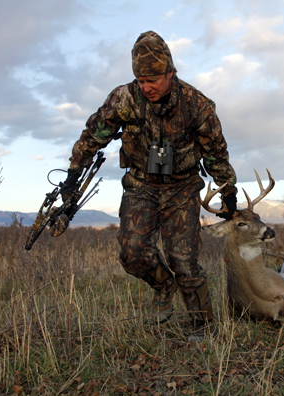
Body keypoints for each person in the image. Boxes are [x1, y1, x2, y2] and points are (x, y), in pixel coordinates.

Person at [62, 31, 237, 341]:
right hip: (140, 184)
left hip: (182, 186)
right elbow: (93, 135)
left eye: (154, 79)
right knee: (132, 252)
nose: (147, 87)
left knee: (183, 259)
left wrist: (228, 189)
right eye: (141, 80)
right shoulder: (124, 98)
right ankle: (162, 286)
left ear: (170, 72)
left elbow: (215, 151)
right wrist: (74, 174)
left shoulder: (197, 105)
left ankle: (201, 325)